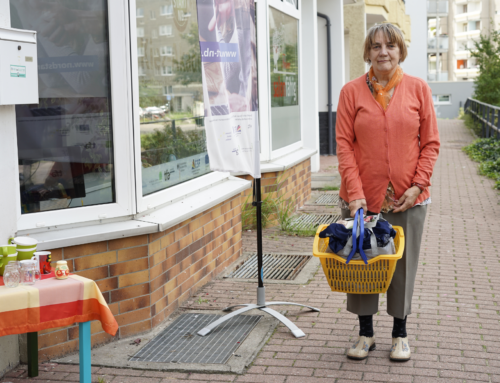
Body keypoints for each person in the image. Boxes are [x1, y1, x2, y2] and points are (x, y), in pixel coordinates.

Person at [336, 23, 440, 362]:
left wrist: (418, 185)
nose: (384, 52)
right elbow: (344, 147)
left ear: (400, 51)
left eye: (391, 46)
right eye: (377, 46)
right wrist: (354, 194)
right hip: (362, 199)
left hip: (408, 198)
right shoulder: (351, 92)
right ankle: (365, 334)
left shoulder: (418, 89)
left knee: (402, 267)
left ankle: (400, 334)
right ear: (367, 52)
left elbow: (431, 143)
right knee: (362, 264)